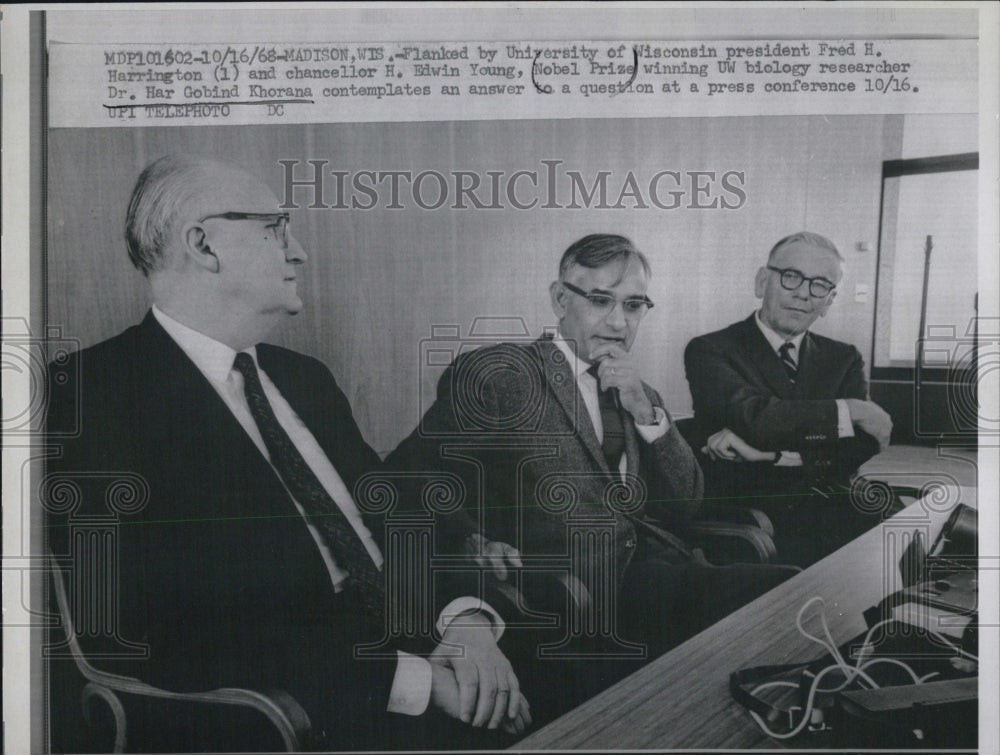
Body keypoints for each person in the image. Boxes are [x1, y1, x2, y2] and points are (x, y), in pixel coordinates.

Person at [44, 155, 529, 751]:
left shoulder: (304, 378)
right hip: (299, 706)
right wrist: (417, 680)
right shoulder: (89, 394)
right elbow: (157, 627)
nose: (297, 251)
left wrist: (467, 625)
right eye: (276, 229)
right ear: (204, 244)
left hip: (426, 639)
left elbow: (399, 519)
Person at [388, 234, 797, 719]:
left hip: (658, 577)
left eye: (634, 305)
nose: (619, 322)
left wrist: (648, 415)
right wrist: (470, 537)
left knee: (790, 600)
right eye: (600, 300)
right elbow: (409, 472)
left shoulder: (638, 389)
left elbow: (686, 504)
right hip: (573, 603)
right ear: (561, 299)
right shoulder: (502, 373)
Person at [684, 231, 894, 567]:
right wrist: (849, 410)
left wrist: (774, 456)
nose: (802, 294)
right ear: (762, 281)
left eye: (819, 285)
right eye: (791, 277)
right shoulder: (710, 349)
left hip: (835, 505)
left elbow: (863, 445)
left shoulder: (844, 358)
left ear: (829, 300)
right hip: (754, 518)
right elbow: (755, 419)